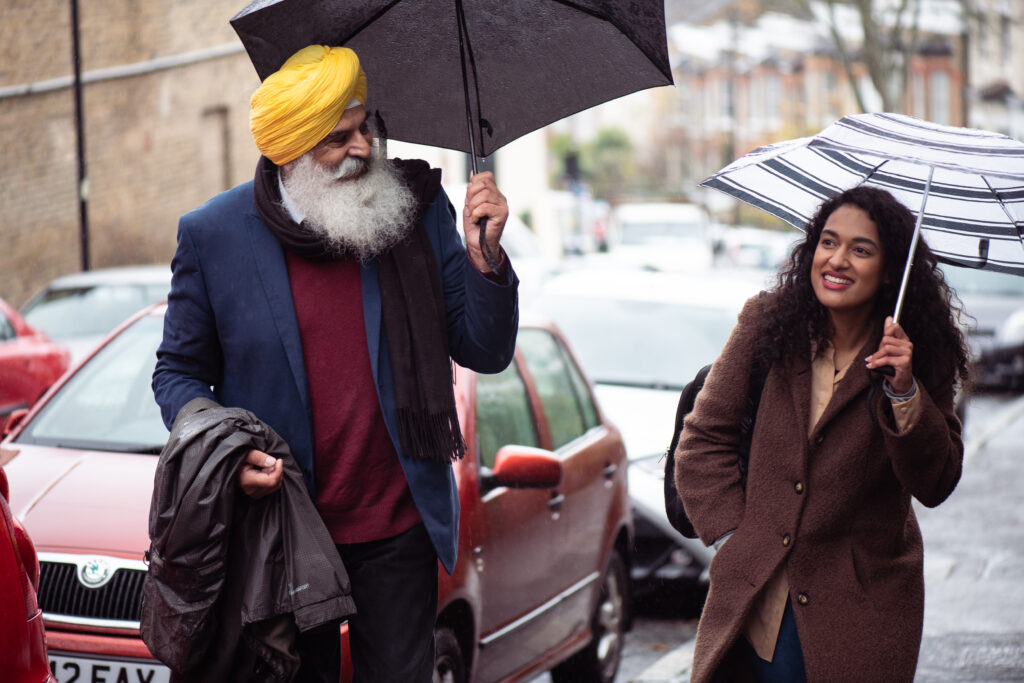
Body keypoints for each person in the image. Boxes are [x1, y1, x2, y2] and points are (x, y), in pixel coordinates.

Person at [152, 44, 519, 682]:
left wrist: (486, 259)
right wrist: (227, 456)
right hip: (282, 534)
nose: (363, 149)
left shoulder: (415, 206)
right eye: (338, 139)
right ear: (289, 153)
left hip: (396, 526)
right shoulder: (213, 235)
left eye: (364, 128)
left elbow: (484, 351)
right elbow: (178, 374)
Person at [675, 186, 969, 683]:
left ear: (890, 269)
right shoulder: (767, 323)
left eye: (861, 249)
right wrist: (734, 537)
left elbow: (935, 482)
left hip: (858, 612)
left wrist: (904, 393)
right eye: (828, 242)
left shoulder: (918, 356)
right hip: (751, 598)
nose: (837, 260)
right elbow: (703, 440)